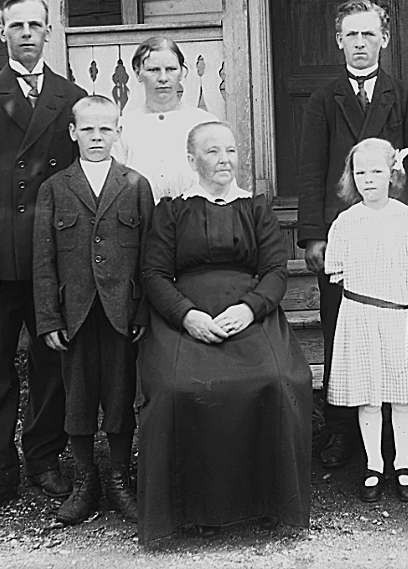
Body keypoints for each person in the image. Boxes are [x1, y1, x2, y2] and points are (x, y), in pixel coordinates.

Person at [138, 122, 311, 543]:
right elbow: (154, 273)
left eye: (230, 151)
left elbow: (275, 271)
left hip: (248, 314)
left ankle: (270, 501)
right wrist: (186, 316)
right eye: (212, 151)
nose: (224, 160)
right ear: (192, 159)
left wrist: (250, 309)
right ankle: (198, 508)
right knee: (178, 389)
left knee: (278, 380)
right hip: (186, 318)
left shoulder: (255, 208)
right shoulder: (172, 211)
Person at [0, 0, 86, 517]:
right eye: (17, 26)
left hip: (51, 254)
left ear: (49, 31)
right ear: (1, 32)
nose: (27, 33)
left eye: (35, 25)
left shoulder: (72, 97)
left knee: (52, 361)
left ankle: (44, 461)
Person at [297, 0, 408, 471]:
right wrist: (313, 235)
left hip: (394, 234)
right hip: (345, 237)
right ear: (339, 41)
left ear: (385, 39)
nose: (360, 43)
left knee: (403, 330)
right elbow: (311, 168)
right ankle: (341, 428)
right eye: (352, 35)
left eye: (369, 35)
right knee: (341, 330)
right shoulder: (324, 99)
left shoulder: (404, 94)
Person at [33, 96, 155, 525]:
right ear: (73, 133)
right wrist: (49, 316)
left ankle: (120, 478)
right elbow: (43, 259)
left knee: (121, 394)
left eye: (105, 129)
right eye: (88, 129)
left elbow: (149, 256)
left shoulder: (135, 185)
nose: (97, 137)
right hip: (75, 311)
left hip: (122, 309)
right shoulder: (54, 188)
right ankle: (85, 479)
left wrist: (143, 311)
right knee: (78, 395)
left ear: (118, 131)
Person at [325, 139, 408, 504]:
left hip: (400, 319)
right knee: (369, 398)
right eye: (360, 172)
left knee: (403, 397)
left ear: (393, 174)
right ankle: (374, 464)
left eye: (376, 171)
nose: (369, 179)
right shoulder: (345, 223)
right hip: (360, 318)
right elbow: (341, 278)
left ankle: (403, 464)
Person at [112, 36, 218, 200]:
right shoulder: (123, 127)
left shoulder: (205, 124)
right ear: (138, 73)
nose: (163, 78)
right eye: (153, 70)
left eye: (171, 69)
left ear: (181, 72)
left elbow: (221, 182)